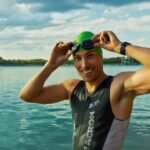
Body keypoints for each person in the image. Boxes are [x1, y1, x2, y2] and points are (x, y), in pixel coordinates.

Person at [19, 30, 150, 150]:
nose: (84, 64)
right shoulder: (72, 88)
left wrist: (120, 47)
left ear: (101, 57)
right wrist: (51, 64)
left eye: (90, 56)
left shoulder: (118, 86)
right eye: (78, 58)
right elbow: (28, 96)